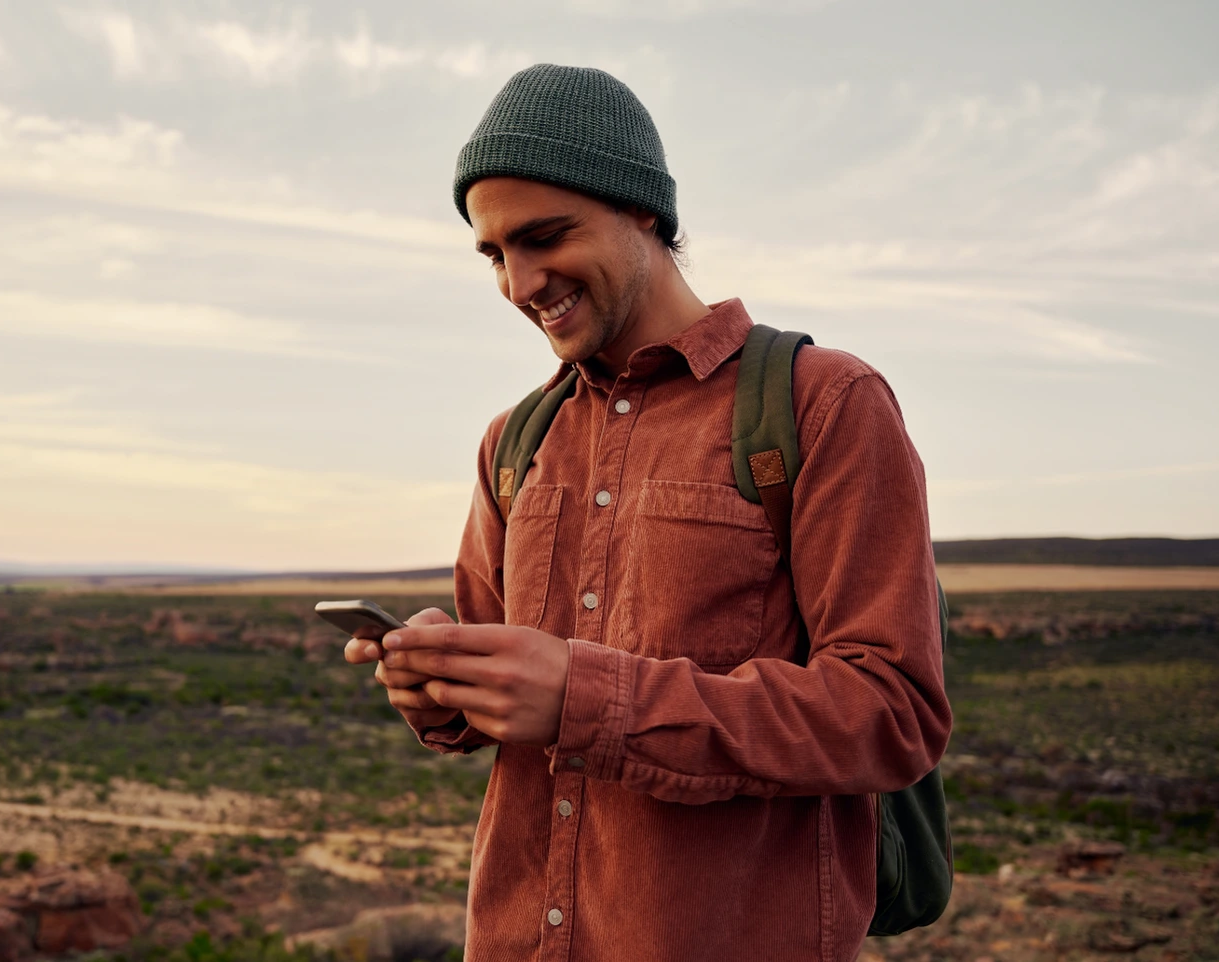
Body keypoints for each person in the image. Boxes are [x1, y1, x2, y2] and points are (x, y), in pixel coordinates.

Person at [344, 63, 950, 962]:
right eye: (494, 254)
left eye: (544, 236)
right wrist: (438, 686)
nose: (518, 283)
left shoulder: (826, 404)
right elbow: (502, 691)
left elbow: (891, 713)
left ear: (645, 213)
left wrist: (587, 696)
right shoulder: (516, 439)